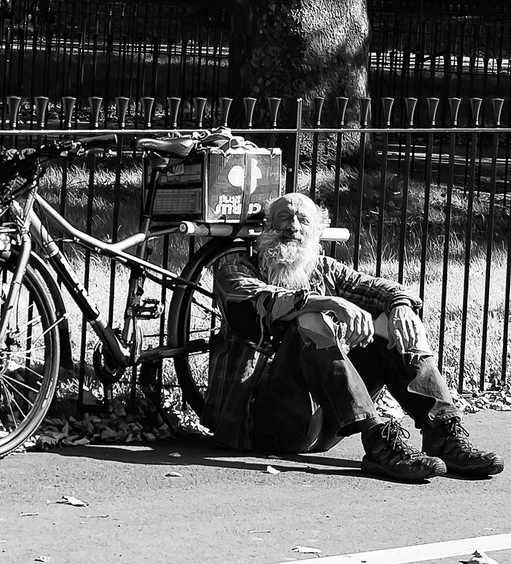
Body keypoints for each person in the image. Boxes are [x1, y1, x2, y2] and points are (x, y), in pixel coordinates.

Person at [202, 192, 503, 482]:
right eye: (283, 217)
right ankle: (379, 441)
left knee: (390, 322)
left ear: (316, 233)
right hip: (258, 424)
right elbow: (258, 300)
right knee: (310, 317)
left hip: (322, 426)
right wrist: (329, 302)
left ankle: (443, 436)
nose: (293, 226)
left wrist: (400, 306)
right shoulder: (237, 266)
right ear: (266, 227)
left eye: (303, 220)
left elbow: (379, 288)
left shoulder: (323, 269)